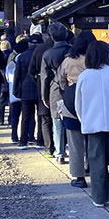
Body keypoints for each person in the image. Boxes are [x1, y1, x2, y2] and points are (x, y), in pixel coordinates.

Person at [75, 40, 109, 207]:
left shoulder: (84, 76)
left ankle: (100, 197)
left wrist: (84, 120)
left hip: (93, 123)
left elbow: (78, 103)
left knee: (96, 161)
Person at [56, 30, 96, 183]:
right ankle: (92, 167)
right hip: (93, 104)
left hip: (72, 103)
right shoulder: (95, 61)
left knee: (75, 142)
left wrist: (67, 91)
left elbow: (60, 81)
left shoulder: (68, 61)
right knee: (93, 141)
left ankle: (79, 176)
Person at [42, 22, 71, 162]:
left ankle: (59, 153)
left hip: (55, 88)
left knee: (57, 122)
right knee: (73, 121)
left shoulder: (48, 54)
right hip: (72, 87)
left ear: (51, 37)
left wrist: (44, 96)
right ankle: (75, 151)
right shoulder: (72, 51)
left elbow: (45, 76)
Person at [29, 27, 55, 156]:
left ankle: (48, 145)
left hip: (42, 84)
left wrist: (37, 80)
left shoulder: (39, 49)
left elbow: (31, 70)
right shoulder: (67, 48)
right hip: (61, 86)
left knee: (45, 118)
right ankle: (61, 146)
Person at [13, 35, 41, 148]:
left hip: (25, 88)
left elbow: (17, 75)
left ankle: (23, 141)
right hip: (39, 88)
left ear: (29, 44)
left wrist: (15, 89)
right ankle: (40, 140)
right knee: (40, 116)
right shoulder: (41, 56)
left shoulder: (21, 57)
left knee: (25, 116)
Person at [5, 39, 26, 142]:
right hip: (25, 94)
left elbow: (7, 78)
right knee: (27, 117)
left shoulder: (11, 64)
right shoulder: (26, 61)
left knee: (14, 116)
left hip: (13, 94)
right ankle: (26, 136)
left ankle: (14, 135)